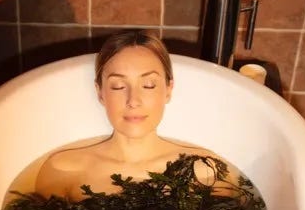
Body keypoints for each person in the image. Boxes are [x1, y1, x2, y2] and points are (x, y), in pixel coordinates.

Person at [35, 29, 240, 201]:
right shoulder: (63, 170)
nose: (133, 100)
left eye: (148, 85)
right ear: (100, 93)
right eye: (118, 86)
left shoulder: (205, 172)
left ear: (168, 89)